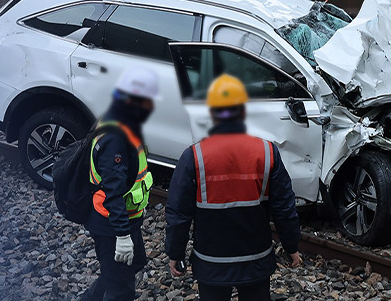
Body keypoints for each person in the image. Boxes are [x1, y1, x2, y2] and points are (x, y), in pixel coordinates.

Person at [165, 74, 302, 301]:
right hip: (256, 262)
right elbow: (284, 209)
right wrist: (291, 246)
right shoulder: (267, 152)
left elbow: (178, 213)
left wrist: (175, 254)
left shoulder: (194, 156)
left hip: (211, 264)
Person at [82, 66, 158, 301]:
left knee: (133, 264)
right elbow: (113, 191)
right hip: (112, 225)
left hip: (126, 219)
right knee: (121, 291)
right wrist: (122, 236)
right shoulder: (115, 137)